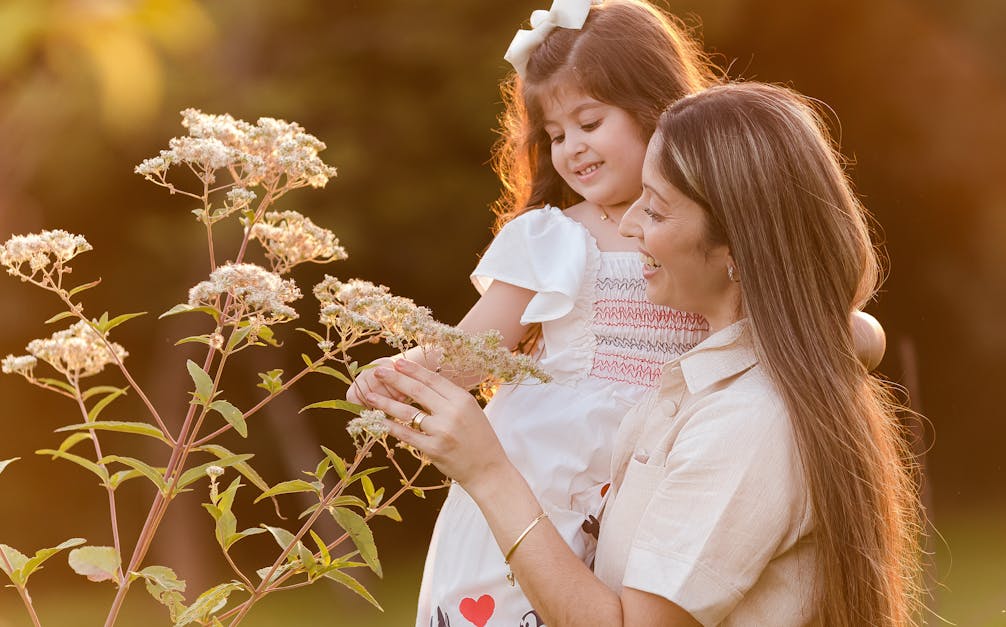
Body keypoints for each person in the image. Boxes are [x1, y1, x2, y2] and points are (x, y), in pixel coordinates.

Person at [364, 82, 924, 626]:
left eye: (654, 210)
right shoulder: (713, 382)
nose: (626, 226)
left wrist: (489, 472)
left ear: (736, 246)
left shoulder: (745, 421)